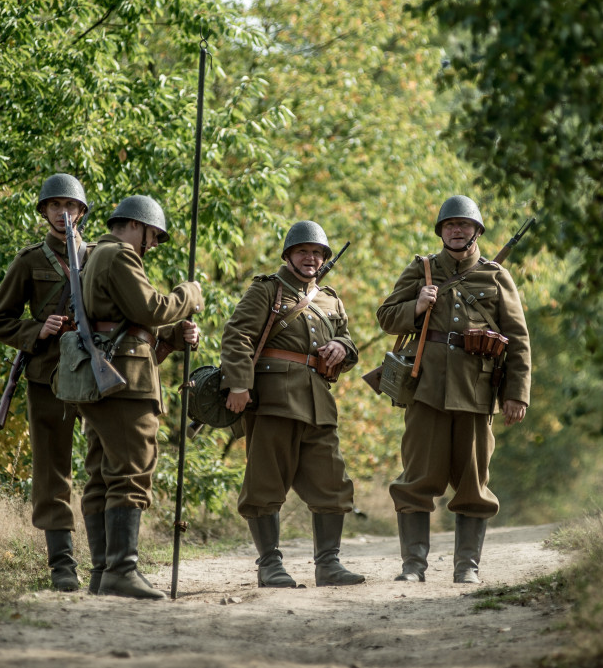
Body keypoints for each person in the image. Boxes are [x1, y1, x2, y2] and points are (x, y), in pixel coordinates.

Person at [376, 195, 531, 584]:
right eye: (450, 225)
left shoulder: (496, 277)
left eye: (464, 225)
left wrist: (516, 393)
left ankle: (467, 566)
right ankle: (413, 565)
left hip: (476, 391)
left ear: (477, 231)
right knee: (416, 479)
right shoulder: (422, 269)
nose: (457, 230)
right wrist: (416, 305)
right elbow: (387, 318)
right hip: (426, 388)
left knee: (473, 482)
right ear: (441, 231)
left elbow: (518, 339)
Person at [220, 221, 365, 588]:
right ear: (288, 255)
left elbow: (347, 341)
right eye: (303, 251)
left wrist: (342, 348)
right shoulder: (267, 290)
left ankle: (328, 565)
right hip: (273, 400)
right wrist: (239, 384)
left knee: (333, 481)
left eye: (317, 253)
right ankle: (270, 564)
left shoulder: (331, 299)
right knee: (265, 483)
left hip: (318, 402)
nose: (311, 258)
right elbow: (237, 337)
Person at [77, 195, 202, 600]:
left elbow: (128, 321)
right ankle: (121, 570)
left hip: (105, 376)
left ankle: (102, 572)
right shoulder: (120, 256)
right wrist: (188, 295)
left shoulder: (95, 254)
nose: (152, 244)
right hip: (126, 383)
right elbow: (150, 307)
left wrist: (171, 338)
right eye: (153, 235)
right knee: (132, 470)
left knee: (102, 473)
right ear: (138, 226)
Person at [0, 173, 97, 592]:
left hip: (93, 372)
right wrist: (37, 329)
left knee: (103, 463)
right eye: (55, 206)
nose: (63, 213)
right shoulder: (29, 261)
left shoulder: (101, 257)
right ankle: (63, 564)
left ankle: (108, 562)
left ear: (82, 213)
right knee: (52, 469)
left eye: (70, 207)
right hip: (46, 375)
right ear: (44, 212)